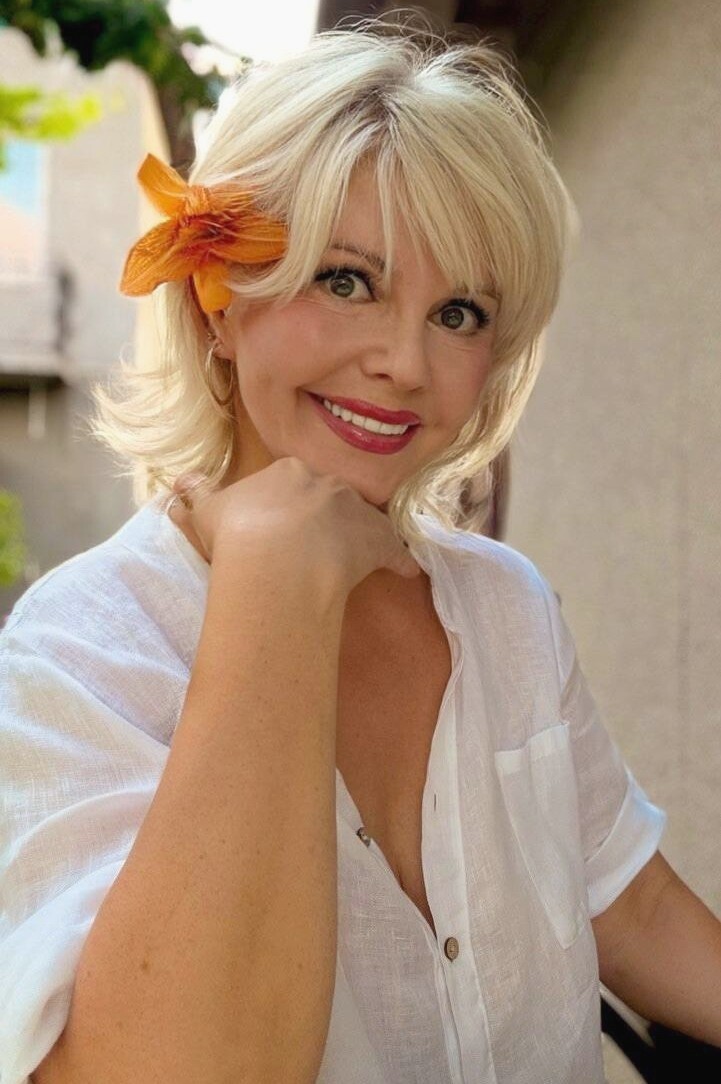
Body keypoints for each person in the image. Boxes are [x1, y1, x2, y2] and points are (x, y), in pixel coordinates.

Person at [1, 16, 720, 1084]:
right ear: (217, 302)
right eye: (345, 281)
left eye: (459, 311)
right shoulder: (82, 649)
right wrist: (270, 582)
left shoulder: (505, 605)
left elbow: (632, 902)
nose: (404, 362)